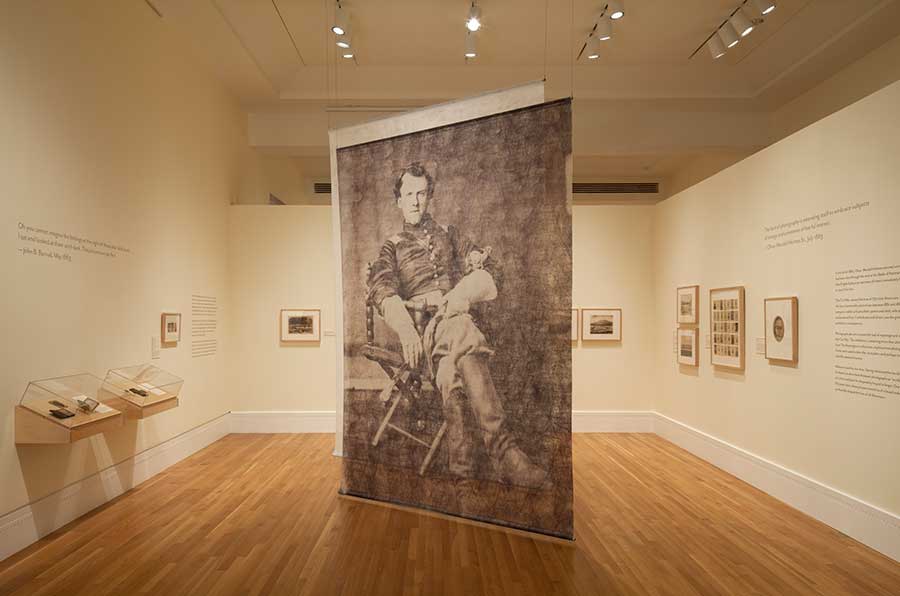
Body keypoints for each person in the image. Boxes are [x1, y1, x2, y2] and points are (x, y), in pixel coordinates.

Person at [367, 162, 546, 488]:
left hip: (451, 330)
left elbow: (492, 270)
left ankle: (463, 470)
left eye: (421, 194)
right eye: (408, 194)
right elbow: (380, 289)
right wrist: (407, 330)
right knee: (462, 329)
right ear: (398, 200)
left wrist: (475, 265)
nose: (415, 202)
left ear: (430, 196)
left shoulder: (449, 234)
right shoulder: (392, 246)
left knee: (453, 367)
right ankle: (504, 452)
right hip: (426, 331)